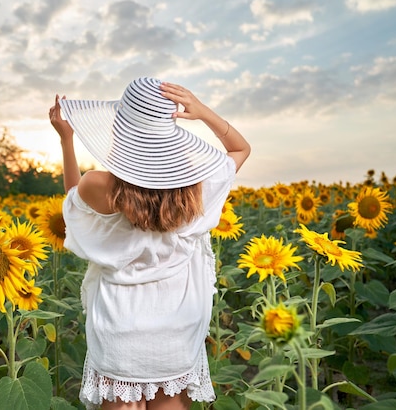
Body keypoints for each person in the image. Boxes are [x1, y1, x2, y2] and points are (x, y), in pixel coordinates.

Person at [48, 77, 250, 410]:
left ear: (121, 125)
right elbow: (241, 149)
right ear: (169, 131)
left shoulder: (100, 185)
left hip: (118, 328)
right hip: (175, 330)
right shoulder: (195, 190)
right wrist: (202, 112)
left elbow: (73, 203)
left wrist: (67, 140)